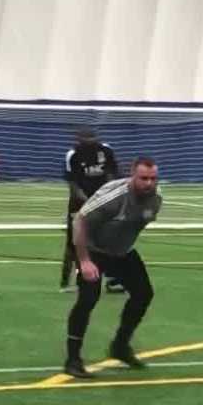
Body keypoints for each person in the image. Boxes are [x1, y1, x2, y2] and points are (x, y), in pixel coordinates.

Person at [62, 157, 162, 378]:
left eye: (153, 178)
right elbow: (80, 220)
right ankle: (72, 359)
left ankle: (120, 346)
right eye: (144, 178)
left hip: (121, 252)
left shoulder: (155, 200)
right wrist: (85, 261)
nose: (149, 183)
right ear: (132, 175)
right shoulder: (114, 197)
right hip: (92, 250)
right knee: (88, 298)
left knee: (143, 293)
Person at [60, 125, 119, 292]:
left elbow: (112, 176)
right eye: (85, 141)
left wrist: (108, 196)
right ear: (78, 140)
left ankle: (113, 279)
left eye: (92, 140)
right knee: (74, 244)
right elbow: (73, 185)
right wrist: (89, 203)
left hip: (104, 202)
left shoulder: (106, 151)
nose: (90, 144)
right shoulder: (73, 155)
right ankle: (66, 282)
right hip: (80, 204)